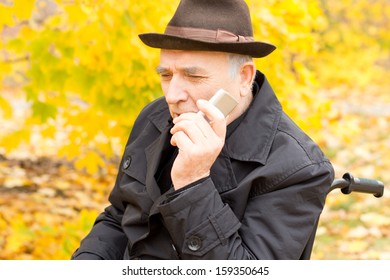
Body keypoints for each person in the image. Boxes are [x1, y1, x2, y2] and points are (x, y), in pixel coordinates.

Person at [71, 0, 334, 260]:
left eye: (194, 77)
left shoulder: (297, 168)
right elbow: (119, 218)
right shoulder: (154, 117)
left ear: (243, 77)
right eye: (166, 75)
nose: (172, 95)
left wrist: (193, 183)